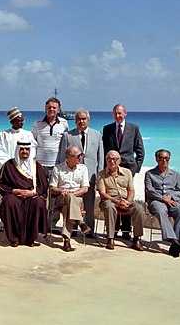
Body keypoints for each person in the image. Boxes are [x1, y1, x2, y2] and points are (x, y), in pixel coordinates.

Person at [58, 108, 104, 235]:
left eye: (83, 119)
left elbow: (100, 157)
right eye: (78, 119)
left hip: (90, 176)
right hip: (71, 176)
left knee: (89, 205)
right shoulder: (68, 135)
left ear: (88, 120)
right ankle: (72, 229)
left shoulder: (97, 135)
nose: (81, 121)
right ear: (75, 120)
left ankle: (89, 230)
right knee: (72, 201)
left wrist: (99, 177)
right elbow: (63, 156)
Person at [102, 104, 145, 239]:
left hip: (128, 170)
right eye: (115, 113)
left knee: (126, 196)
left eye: (120, 113)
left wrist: (135, 169)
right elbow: (104, 150)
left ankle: (126, 231)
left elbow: (140, 151)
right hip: (111, 169)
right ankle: (113, 231)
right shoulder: (107, 129)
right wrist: (106, 169)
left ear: (125, 113)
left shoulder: (134, 128)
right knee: (114, 195)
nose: (118, 116)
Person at [0, 141, 48, 247]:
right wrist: (13, 191)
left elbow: (43, 185)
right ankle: (14, 238)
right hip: (15, 195)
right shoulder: (9, 165)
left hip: (32, 195)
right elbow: (1, 184)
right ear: (18, 150)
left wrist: (32, 193)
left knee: (38, 202)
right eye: (22, 149)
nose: (24, 152)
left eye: (27, 149)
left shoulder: (37, 166)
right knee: (9, 201)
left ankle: (31, 239)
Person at [97, 150, 145, 251]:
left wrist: (127, 201)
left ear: (119, 161)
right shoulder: (101, 174)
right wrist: (117, 202)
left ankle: (136, 239)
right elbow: (103, 194)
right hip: (109, 199)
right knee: (109, 207)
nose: (112, 161)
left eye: (114, 159)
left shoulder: (127, 172)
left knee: (138, 208)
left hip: (125, 199)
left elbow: (131, 190)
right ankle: (110, 238)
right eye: (109, 159)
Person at [145, 149, 180, 258]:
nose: (164, 160)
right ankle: (174, 240)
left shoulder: (176, 174)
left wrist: (171, 197)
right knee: (160, 211)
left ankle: (178, 242)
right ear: (156, 159)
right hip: (156, 201)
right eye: (161, 158)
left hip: (172, 201)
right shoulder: (149, 174)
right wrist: (162, 198)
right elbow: (149, 190)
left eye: (166, 158)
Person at [50, 145, 90, 252]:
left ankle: (66, 242)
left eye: (81, 155)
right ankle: (80, 222)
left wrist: (73, 194)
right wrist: (61, 191)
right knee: (67, 198)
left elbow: (85, 188)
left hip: (77, 199)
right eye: (78, 156)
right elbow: (52, 188)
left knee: (67, 208)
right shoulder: (58, 168)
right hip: (61, 198)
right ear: (69, 157)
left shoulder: (83, 168)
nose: (80, 158)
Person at [0, 106, 36, 180]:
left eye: (22, 120)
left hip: (25, 167)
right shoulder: (4, 134)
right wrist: (11, 165)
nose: (22, 122)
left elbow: (32, 151)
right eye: (19, 121)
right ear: (12, 122)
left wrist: (23, 163)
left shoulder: (28, 134)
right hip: (9, 168)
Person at [32, 96, 69, 184]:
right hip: (40, 164)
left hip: (57, 164)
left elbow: (65, 142)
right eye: (49, 107)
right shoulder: (37, 124)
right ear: (45, 109)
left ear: (59, 110)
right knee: (40, 190)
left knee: (55, 192)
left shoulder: (64, 123)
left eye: (54, 107)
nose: (51, 109)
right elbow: (33, 143)